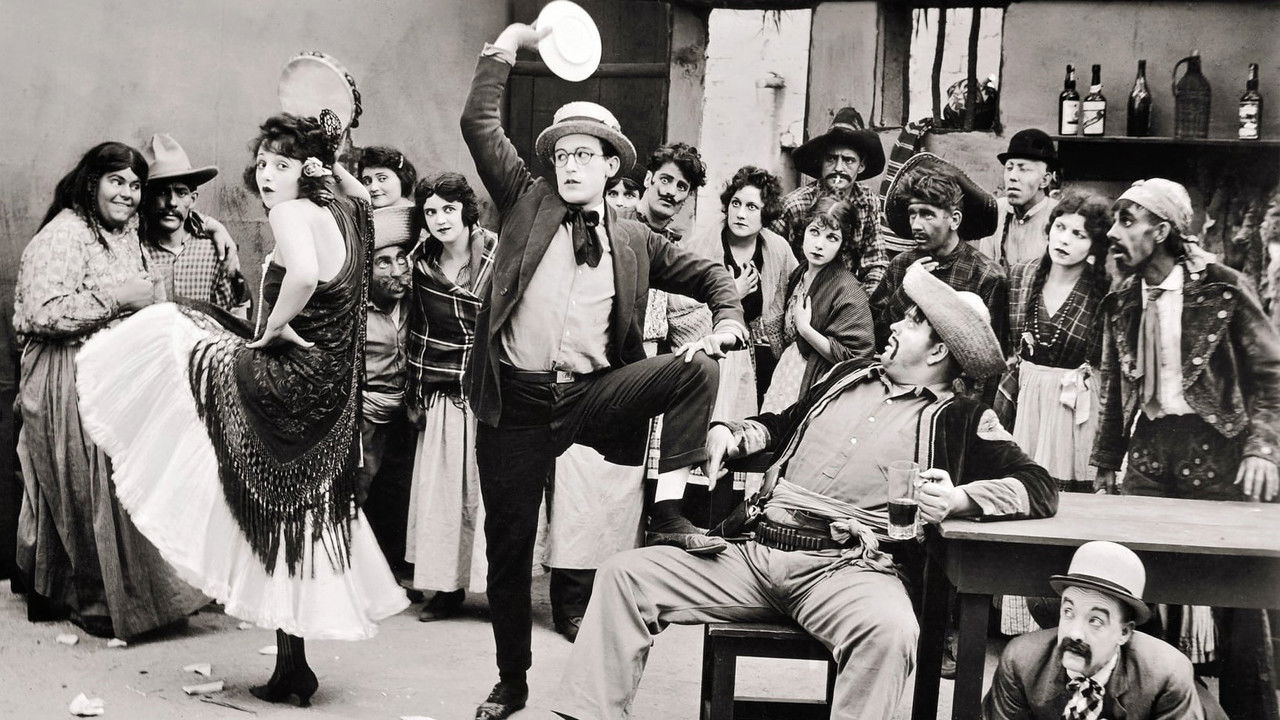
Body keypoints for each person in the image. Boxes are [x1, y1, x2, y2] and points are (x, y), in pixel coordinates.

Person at [552, 262, 1059, 720]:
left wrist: (958, 499)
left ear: (939, 350)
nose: (895, 326)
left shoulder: (963, 419)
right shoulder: (847, 375)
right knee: (625, 575)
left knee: (890, 633)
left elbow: (1038, 486)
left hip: (850, 571)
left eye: (912, 322)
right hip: (757, 551)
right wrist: (734, 435)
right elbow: (781, 423)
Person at [460, 23, 748, 720]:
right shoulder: (523, 198)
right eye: (562, 153)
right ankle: (512, 680)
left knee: (695, 369)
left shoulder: (634, 237)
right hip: (516, 400)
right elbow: (478, 122)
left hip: (591, 394)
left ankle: (670, 510)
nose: (570, 164)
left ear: (612, 166)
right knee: (508, 547)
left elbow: (711, 276)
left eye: (585, 154)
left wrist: (727, 318)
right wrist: (510, 41)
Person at [75, 114, 409, 706]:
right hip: (330, 393)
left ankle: (292, 667)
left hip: (290, 379)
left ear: (308, 169)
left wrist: (273, 326)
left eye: (283, 163)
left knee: (172, 329)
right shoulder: (352, 211)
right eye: (262, 163)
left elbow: (303, 273)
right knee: (293, 518)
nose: (267, 174)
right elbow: (353, 194)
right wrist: (330, 159)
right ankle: (292, 667)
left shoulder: (292, 213)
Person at [1091, 178, 1280, 719]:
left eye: (1127, 221)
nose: (1113, 232)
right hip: (1149, 455)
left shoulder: (1224, 287)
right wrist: (1106, 460)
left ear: (1162, 230)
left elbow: (1270, 372)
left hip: (1219, 452)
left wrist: (1263, 448)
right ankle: (1151, 707)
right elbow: (1114, 384)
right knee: (1133, 588)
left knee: (1239, 597)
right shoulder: (1122, 297)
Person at [12, 142, 208, 639]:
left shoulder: (125, 231)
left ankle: (140, 595)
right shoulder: (65, 234)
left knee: (132, 481)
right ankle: (99, 599)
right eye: (116, 181)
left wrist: (214, 231)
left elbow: (175, 225)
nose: (127, 193)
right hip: (67, 373)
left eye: (135, 185)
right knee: (90, 485)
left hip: (115, 369)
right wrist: (118, 297)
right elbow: (42, 312)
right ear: (90, 182)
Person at [547, 142, 711, 642]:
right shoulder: (611, 227)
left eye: (683, 187)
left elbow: (688, 308)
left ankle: (619, 600)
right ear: (647, 182)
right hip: (594, 372)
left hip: (644, 375)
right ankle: (571, 602)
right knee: (582, 490)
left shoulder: (668, 244)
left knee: (624, 496)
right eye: (665, 180)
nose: (672, 191)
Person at [994, 188, 1113, 637]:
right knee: (1026, 493)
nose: (1065, 239)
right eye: (1060, 228)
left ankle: (1072, 615)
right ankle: (1020, 621)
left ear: (1094, 245)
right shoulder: (1023, 276)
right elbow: (1009, 343)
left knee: (1068, 503)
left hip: (1074, 406)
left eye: (1079, 234)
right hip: (1029, 398)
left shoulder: (1102, 289)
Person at [983, 540, 1226, 720]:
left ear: (1124, 632)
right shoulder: (1021, 661)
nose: (1075, 633)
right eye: (1069, 612)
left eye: (1096, 621)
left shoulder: (1167, 675)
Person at [403, 172, 497, 622]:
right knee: (442, 494)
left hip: (493, 390)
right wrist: (415, 388)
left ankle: (496, 588)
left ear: (466, 211)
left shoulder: (498, 254)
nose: (440, 219)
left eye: (448, 209)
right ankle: (445, 589)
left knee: (491, 493)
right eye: (431, 212)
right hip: (442, 391)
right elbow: (416, 328)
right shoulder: (421, 265)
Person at [871, 152, 1006, 359]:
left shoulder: (987, 276)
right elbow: (874, 338)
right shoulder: (901, 265)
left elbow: (992, 357)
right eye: (912, 214)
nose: (916, 225)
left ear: (954, 220)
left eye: (927, 214)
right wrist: (906, 291)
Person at [761, 196, 875, 413]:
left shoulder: (847, 289)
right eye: (814, 232)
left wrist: (806, 330)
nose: (819, 244)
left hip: (816, 382)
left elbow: (857, 358)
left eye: (832, 237)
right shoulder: (800, 273)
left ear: (843, 244)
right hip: (786, 374)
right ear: (804, 231)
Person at [771, 106, 888, 295]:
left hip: (845, 296)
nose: (839, 168)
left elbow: (876, 263)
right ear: (821, 162)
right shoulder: (794, 205)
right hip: (796, 293)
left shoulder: (868, 202)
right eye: (831, 159)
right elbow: (770, 260)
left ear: (861, 165)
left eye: (848, 160)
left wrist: (862, 303)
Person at [359, 204, 415, 578]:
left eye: (401, 260)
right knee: (361, 490)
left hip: (407, 415)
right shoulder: (355, 311)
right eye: (383, 262)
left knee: (402, 493)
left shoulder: (415, 302)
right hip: (366, 415)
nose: (396, 270)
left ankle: (396, 571)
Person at [140, 133, 251, 317]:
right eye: (161, 192)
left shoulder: (213, 250)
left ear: (193, 199)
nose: (172, 202)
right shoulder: (136, 250)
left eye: (181, 193)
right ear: (147, 198)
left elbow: (230, 318)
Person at [975, 129, 1060, 271]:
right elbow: (985, 272)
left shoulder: (1059, 217)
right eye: (1009, 168)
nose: (1012, 177)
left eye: (1023, 169)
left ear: (1044, 180)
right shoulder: (994, 210)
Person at [359, 145, 418, 209]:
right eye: (367, 181)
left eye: (382, 179)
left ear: (402, 179)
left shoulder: (421, 213)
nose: (373, 188)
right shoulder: (366, 213)